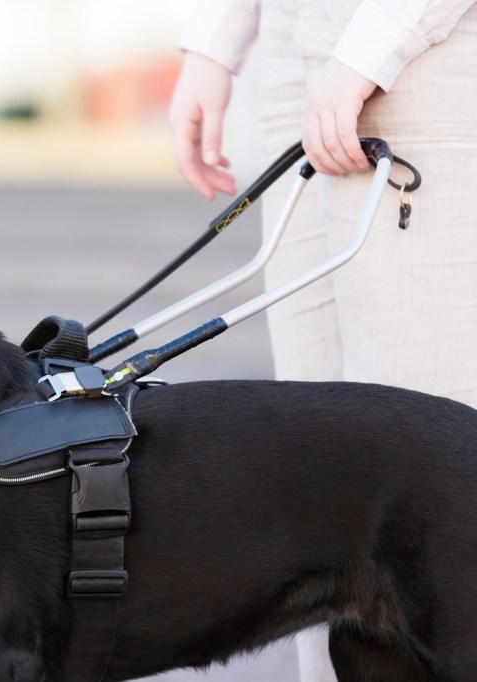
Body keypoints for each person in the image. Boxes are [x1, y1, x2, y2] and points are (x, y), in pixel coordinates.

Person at [168, 1, 477, 680]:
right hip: (295, 49)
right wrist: (215, 44)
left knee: (432, 468)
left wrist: (368, 52)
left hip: (420, 54)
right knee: (324, 495)